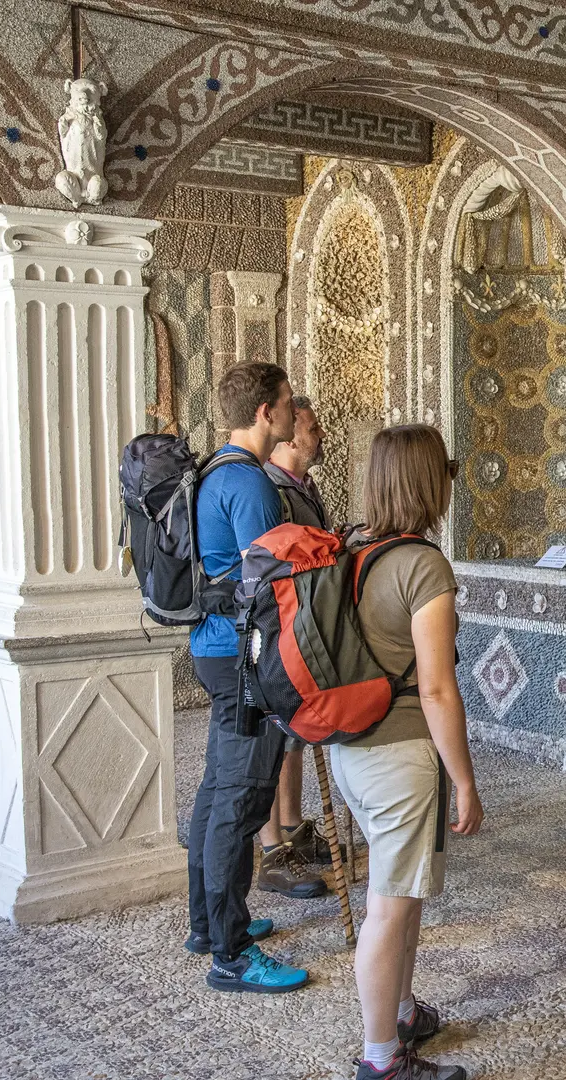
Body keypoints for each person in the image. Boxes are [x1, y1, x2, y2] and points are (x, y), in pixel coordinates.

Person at [332, 424, 483, 1080]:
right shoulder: (424, 566)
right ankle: (381, 1059)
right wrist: (466, 780)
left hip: (352, 750)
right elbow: (438, 689)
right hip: (398, 757)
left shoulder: (352, 550)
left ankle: (402, 1010)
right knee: (389, 905)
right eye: (445, 470)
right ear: (431, 481)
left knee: (402, 891)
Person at [184, 361, 313, 993]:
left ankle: (207, 925)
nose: (293, 412)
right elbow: (274, 586)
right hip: (245, 656)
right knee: (241, 800)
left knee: (217, 788)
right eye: (288, 402)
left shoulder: (213, 471)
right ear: (267, 412)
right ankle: (230, 955)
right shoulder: (254, 486)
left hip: (214, 648)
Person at [256, 394, 339, 885]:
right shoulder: (271, 490)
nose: (319, 433)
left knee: (292, 735)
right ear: (288, 435)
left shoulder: (302, 487)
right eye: (312, 426)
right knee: (271, 735)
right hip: (278, 631)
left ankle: (292, 824)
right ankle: (272, 850)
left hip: (303, 627)